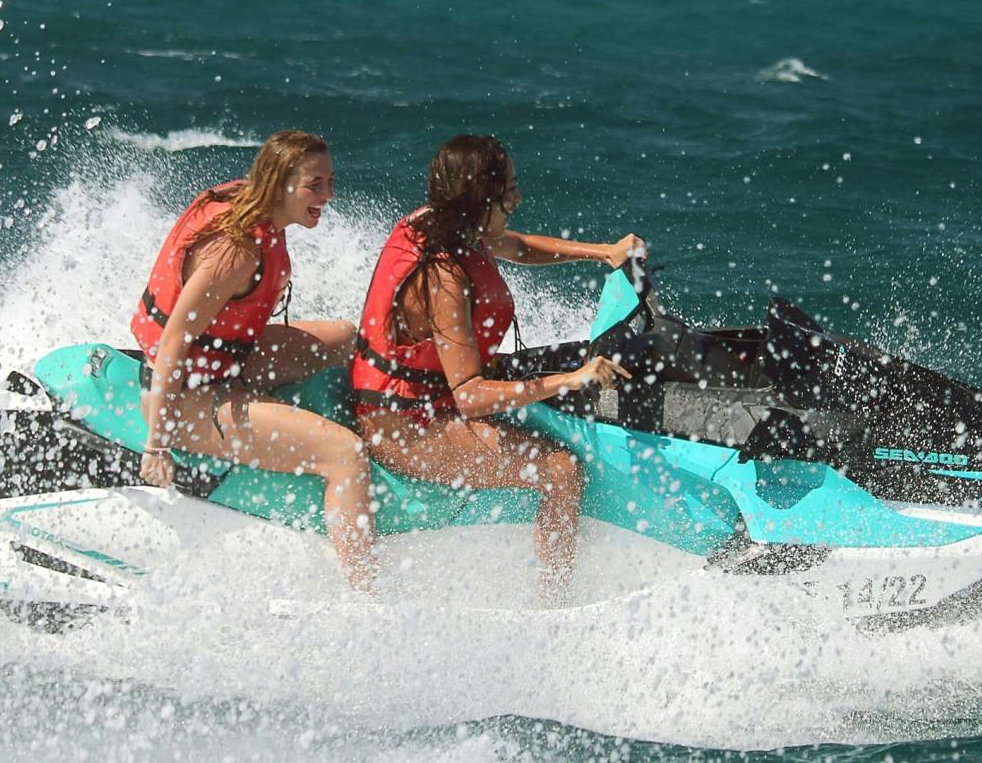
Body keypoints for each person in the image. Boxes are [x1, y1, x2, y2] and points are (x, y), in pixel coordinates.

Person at [351, 134, 638, 595]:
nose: (517, 198)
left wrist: (602, 252)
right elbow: (469, 395)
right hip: (402, 424)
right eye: (507, 190)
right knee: (560, 468)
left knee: (571, 363)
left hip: (434, 395)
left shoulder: (445, 224)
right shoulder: (443, 278)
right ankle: (555, 597)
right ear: (476, 198)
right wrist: (568, 381)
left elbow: (520, 247)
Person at [131, 129, 376, 592]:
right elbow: (173, 341)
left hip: (225, 361)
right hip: (183, 394)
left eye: (330, 181)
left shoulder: (257, 209)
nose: (328, 195)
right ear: (280, 183)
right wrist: (157, 446)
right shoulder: (235, 251)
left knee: (345, 336)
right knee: (346, 455)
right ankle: (365, 595)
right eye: (315, 185)